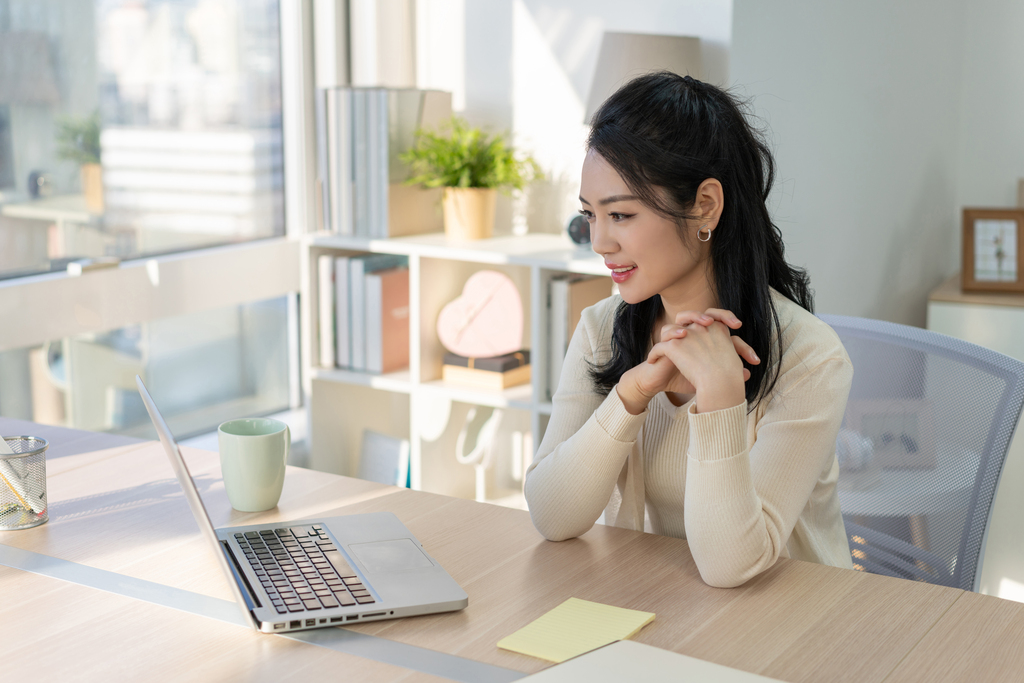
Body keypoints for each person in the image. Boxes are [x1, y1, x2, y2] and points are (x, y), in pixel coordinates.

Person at [524, 72, 854, 588]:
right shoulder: (600, 329)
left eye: (622, 214)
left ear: (705, 205)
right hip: (665, 603)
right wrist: (632, 393)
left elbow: (732, 566)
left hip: (792, 625)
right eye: (591, 215)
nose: (600, 242)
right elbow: (551, 515)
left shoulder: (810, 358)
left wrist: (721, 394)